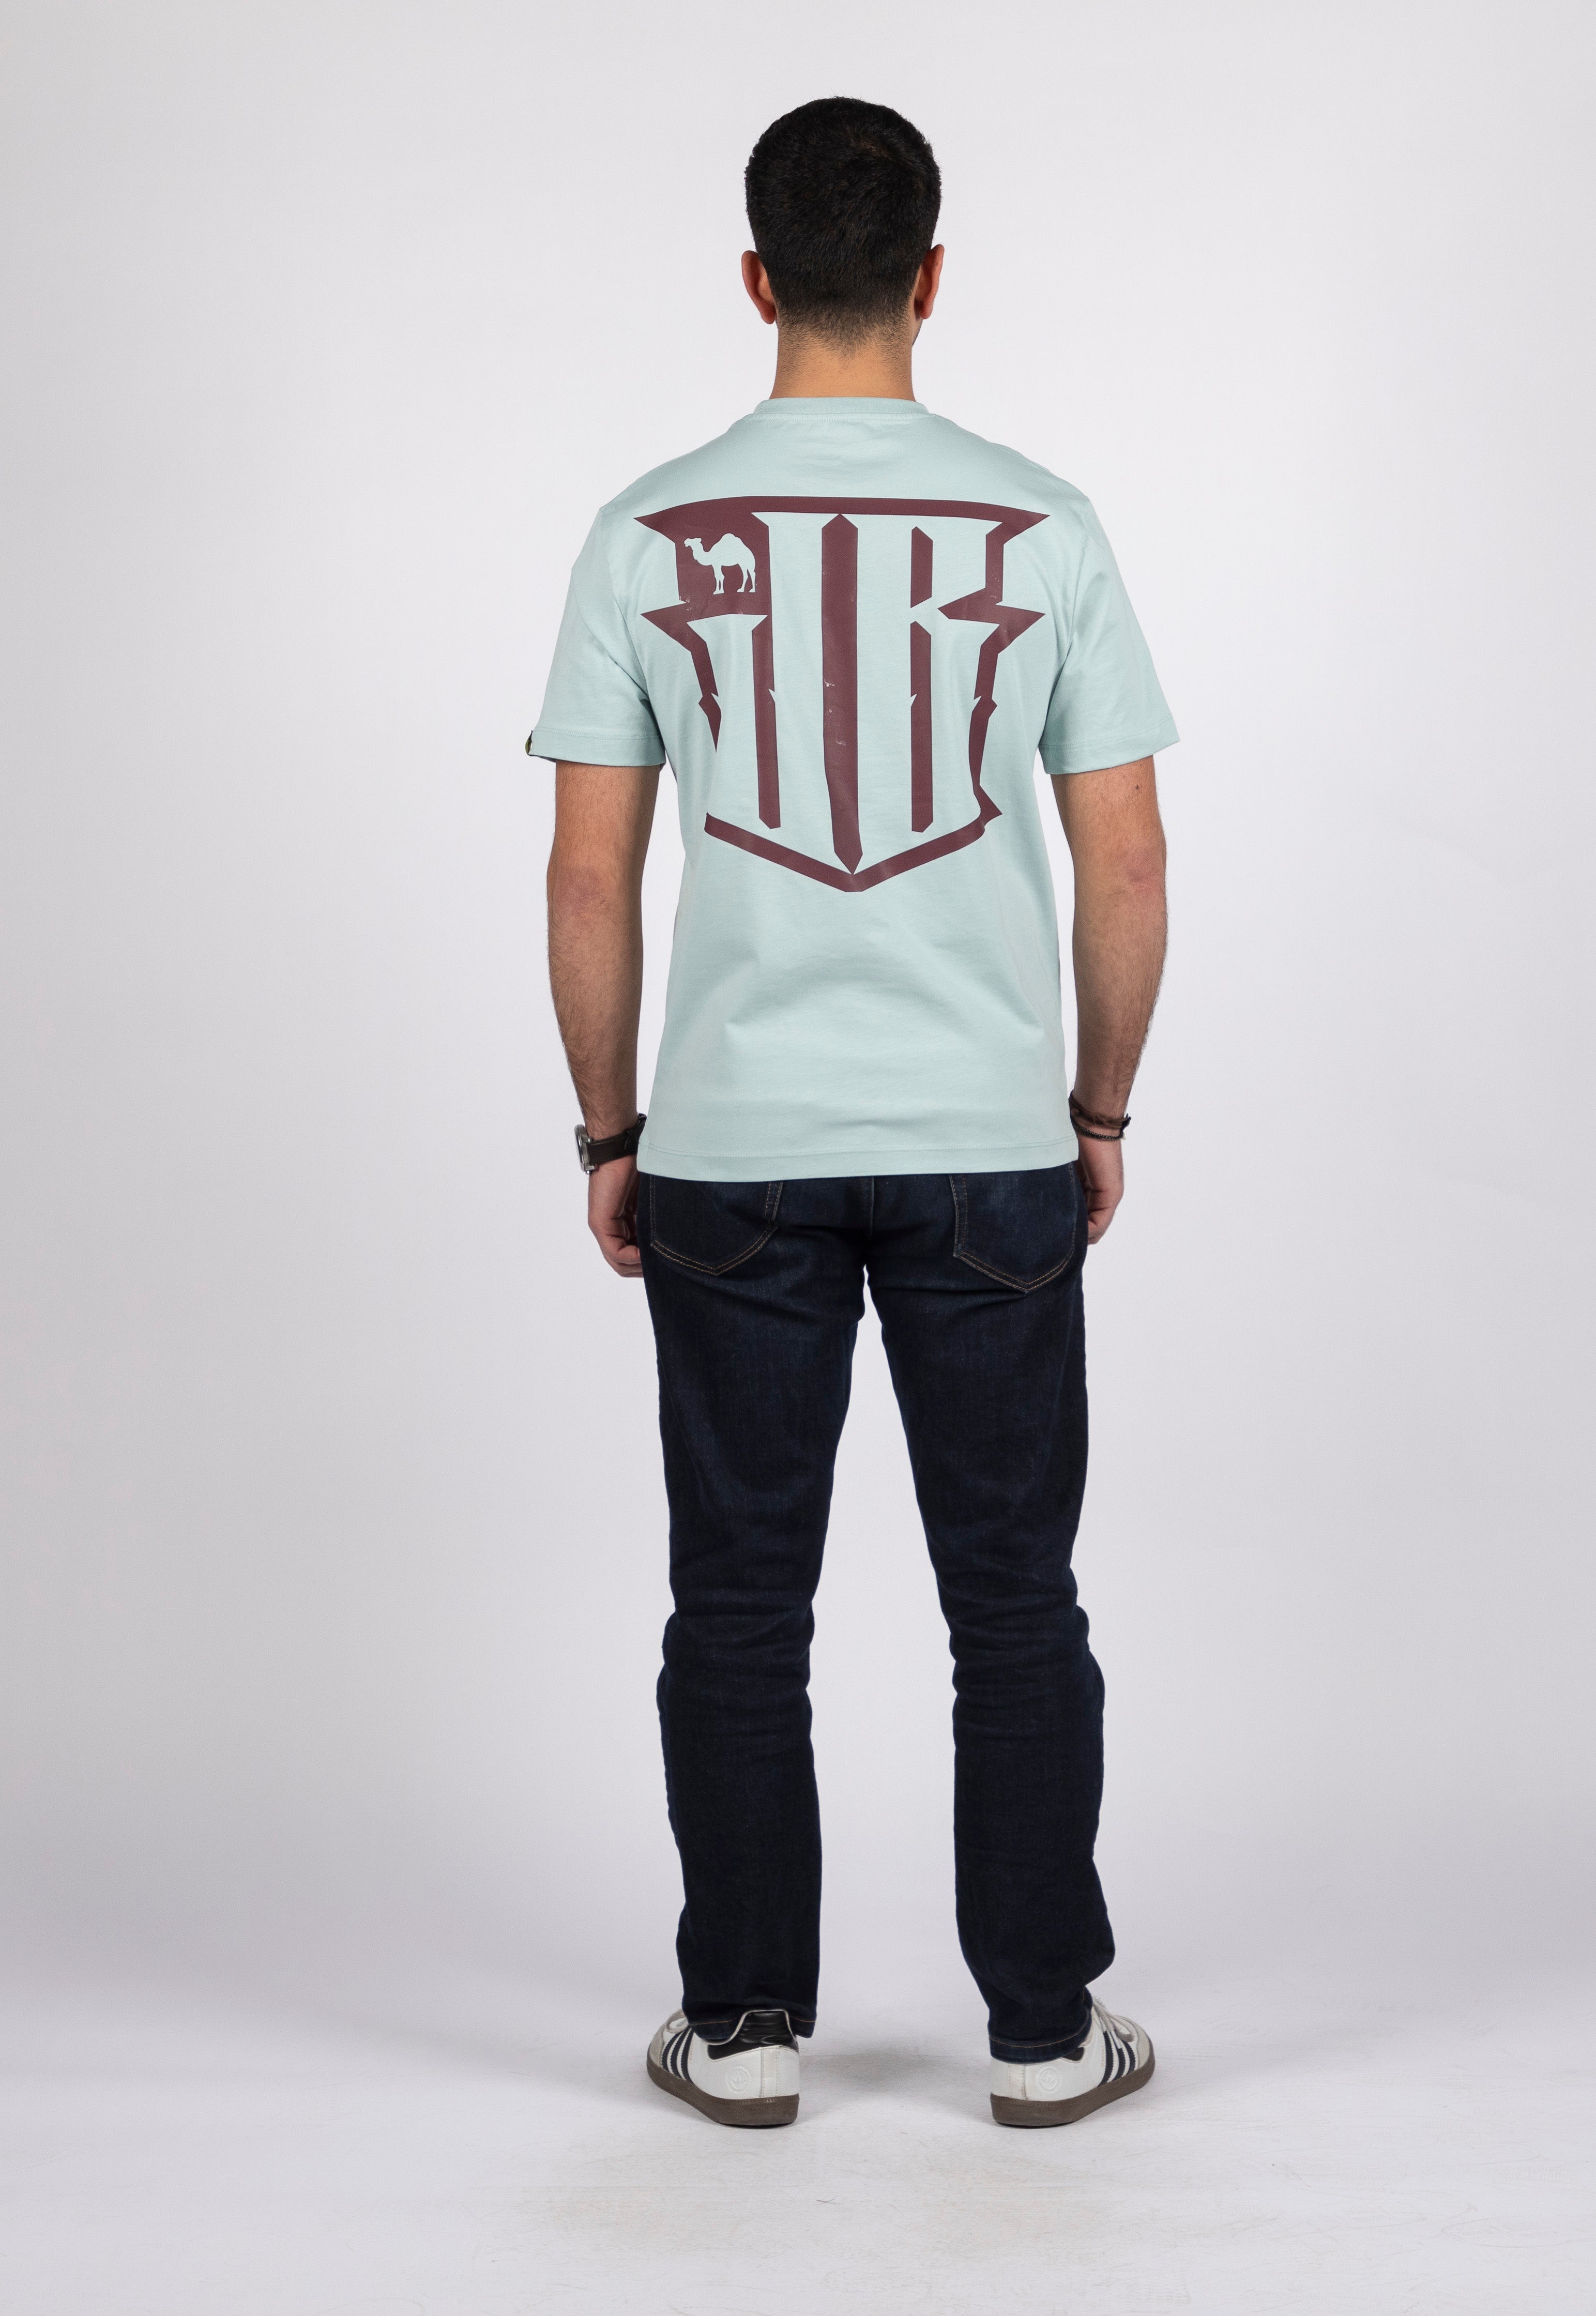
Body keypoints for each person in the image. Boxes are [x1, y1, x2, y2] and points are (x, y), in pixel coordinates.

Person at [530, 96, 1174, 2130]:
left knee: (739, 1601)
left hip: (732, 1148)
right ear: (930, 277)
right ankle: (1045, 2032)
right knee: (1015, 1598)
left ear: (756, 278)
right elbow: (1128, 862)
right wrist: (1097, 1107)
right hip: (988, 1141)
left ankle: (741, 2029)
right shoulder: (1043, 524)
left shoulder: (642, 533)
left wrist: (611, 1133)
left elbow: (587, 879)